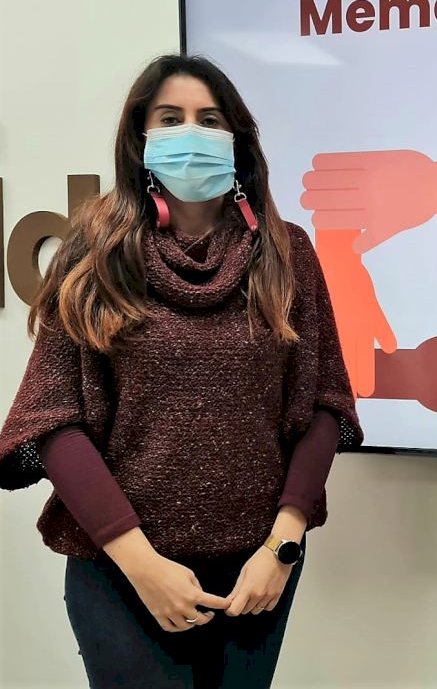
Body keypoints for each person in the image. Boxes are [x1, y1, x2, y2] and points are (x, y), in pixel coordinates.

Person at [0, 54, 362, 688]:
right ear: (140, 137)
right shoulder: (94, 252)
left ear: (237, 138)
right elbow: (54, 420)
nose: (190, 133)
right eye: (170, 119)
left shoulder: (286, 253)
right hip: (121, 572)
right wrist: (141, 564)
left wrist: (283, 546)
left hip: (257, 572)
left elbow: (324, 404)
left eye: (209, 119)